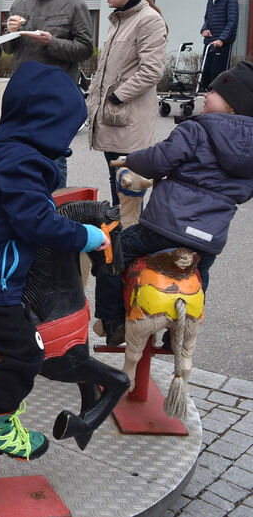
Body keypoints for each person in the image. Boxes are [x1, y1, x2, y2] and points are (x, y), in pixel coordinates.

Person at [0, 61, 109, 460]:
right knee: (28, 352)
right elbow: (36, 223)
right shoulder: (24, 163)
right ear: (50, 122)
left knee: (11, 337)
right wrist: (88, 235)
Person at [93, 61, 253, 346]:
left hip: (164, 227)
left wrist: (132, 159)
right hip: (208, 238)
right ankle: (178, 335)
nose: (205, 95)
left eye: (213, 92)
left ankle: (112, 320)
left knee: (111, 251)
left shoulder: (197, 130)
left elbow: (158, 161)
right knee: (199, 278)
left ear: (232, 105)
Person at [4, 0, 94, 188]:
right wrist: (10, 32)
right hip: (23, 93)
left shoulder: (74, 5)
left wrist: (51, 43)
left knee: (54, 155)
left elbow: (85, 48)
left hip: (56, 95)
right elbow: (10, 50)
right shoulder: (19, 4)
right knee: (20, 152)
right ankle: (27, 199)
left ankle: (55, 207)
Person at [86, 0, 168, 204]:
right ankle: (120, 239)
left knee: (128, 193)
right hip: (114, 119)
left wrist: (117, 97)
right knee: (117, 187)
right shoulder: (120, 20)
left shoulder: (148, 20)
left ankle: (126, 239)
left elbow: (152, 70)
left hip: (128, 122)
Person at [200, 0, 239, 90]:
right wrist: (204, 29)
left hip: (222, 43)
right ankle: (209, 99)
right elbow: (207, 18)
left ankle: (221, 101)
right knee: (205, 73)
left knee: (218, 75)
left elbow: (232, 21)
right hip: (210, 42)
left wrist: (222, 39)